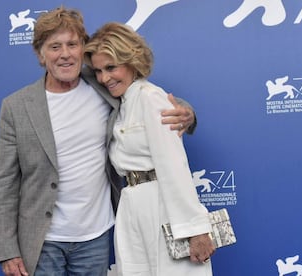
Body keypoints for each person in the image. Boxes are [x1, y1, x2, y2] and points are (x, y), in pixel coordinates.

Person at [0, 7, 196, 276]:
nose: (65, 54)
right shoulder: (16, 106)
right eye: (55, 46)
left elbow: (150, 98)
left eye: (72, 44)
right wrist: (8, 250)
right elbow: (4, 184)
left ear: (82, 48)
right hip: (42, 240)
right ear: (41, 54)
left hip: (95, 236)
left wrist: (187, 114)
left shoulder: (102, 84)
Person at [83, 22, 215, 275]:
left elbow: (173, 165)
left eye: (111, 67)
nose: (104, 78)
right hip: (131, 206)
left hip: (163, 205)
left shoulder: (150, 98)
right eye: (98, 70)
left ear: (132, 61)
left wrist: (195, 230)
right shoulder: (120, 103)